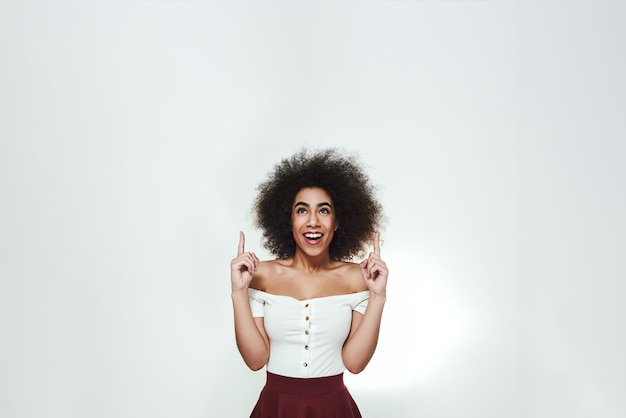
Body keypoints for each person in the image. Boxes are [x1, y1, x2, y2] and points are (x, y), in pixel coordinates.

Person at [230, 148, 388, 418]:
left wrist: (378, 297)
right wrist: (238, 292)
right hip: (276, 407)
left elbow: (355, 363)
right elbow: (256, 360)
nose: (313, 221)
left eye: (323, 211)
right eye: (302, 210)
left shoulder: (357, 279)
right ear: (288, 220)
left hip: (334, 408)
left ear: (337, 221)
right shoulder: (260, 275)